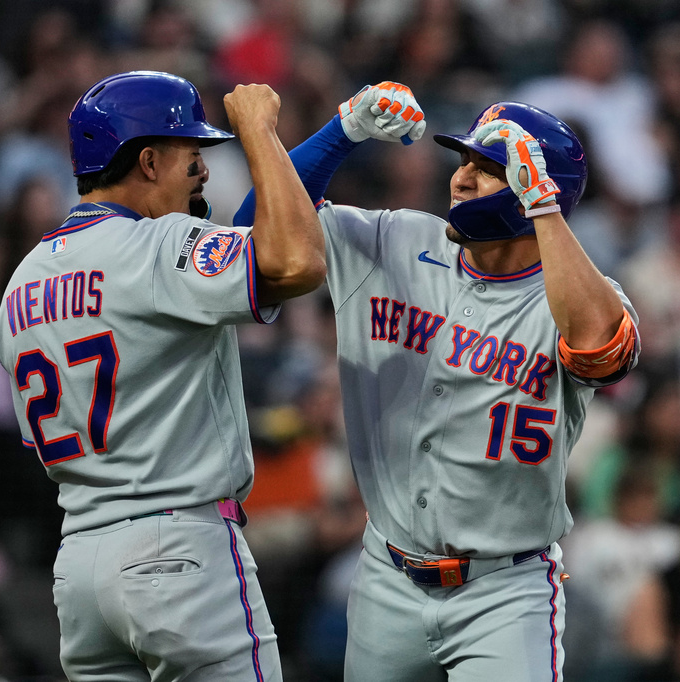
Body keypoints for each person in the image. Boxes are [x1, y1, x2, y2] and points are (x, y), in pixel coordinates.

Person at [235, 83, 640, 680]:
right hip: (386, 575)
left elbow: (603, 351)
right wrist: (341, 130)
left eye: (489, 170)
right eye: (464, 162)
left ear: (538, 188)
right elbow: (257, 236)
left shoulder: (578, 296)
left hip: (506, 590)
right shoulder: (394, 240)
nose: (462, 179)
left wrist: (545, 212)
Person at [0, 70, 325, 682]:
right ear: (148, 161)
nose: (201, 171)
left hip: (81, 565)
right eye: (191, 154)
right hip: (177, 549)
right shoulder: (154, 245)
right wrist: (259, 133)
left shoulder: (21, 282)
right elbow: (299, 261)